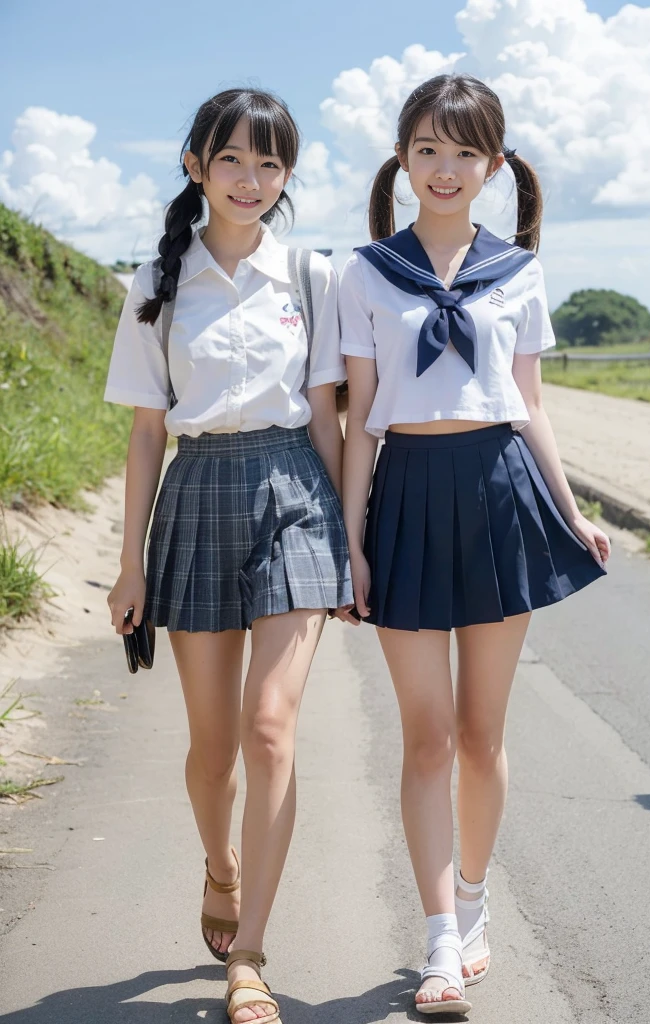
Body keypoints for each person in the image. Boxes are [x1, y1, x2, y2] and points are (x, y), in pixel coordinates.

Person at [339, 72, 610, 1016]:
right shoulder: (366, 271)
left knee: (483, 732)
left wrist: (572, 513)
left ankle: (473, 896)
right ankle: (439, 943)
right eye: (427, 150)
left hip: (500, 492)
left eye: (463, 153)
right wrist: (353, 543)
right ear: (403, 158)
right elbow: (361, 417)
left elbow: (530, 404)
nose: (444, 169)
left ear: (492, 165)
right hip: (404, 497)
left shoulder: (520, 270)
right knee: (426, 736)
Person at [105, 87, 353, 1024]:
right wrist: (129, 564)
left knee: (269, 731)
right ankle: (220, 866)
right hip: (197, 492)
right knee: (213, 749)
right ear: (196, 166)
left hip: (296, 495)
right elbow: (143, 435)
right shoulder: (155, 283)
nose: (252, 181)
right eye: (234, 161)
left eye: (271, 164)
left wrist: (350, 545)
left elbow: (330, 419)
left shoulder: (311, 276)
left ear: (287, 176)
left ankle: (248, 954)